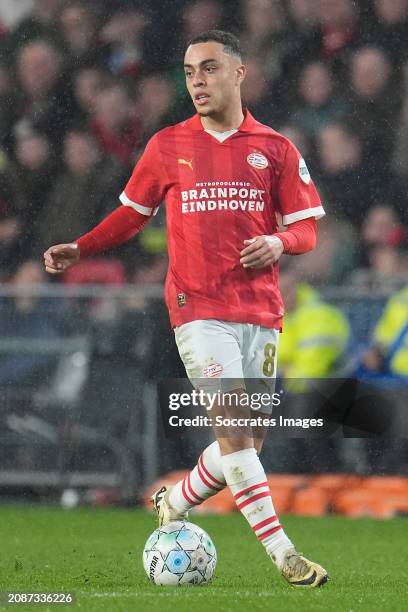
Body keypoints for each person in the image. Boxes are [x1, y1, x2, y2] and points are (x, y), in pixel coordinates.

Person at [44, 30, 328, 588]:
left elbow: (306, 230)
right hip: (196, 307)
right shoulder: (167, 145)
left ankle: (173, 499)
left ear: (239, 73)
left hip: (261, 310)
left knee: (244, 442)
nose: (197, 81)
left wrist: (279, 244)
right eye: (190, 72)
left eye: (209, 69)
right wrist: (84, 246)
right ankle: (285, 554)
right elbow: (132, 214)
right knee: (235, 432)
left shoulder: (274, 147)